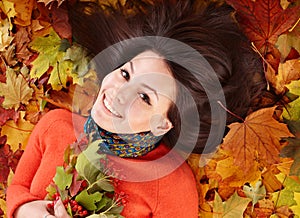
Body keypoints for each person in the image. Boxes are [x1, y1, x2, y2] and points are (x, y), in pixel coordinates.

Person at [6, 0, 267, 217]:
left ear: (163, 123)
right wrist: (26, 210)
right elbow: (18, 187)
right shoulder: (55, 125)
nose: (120, 92)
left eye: (144, 96)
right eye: (125, 74)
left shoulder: (171, 185)